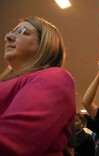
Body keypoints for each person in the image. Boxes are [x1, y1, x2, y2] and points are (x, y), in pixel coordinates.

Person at [0, 17, 76, 155]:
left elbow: (13, 142)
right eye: (12, 31)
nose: (8, 37)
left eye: (22, 31)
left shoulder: (56, 77)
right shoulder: (5, 83)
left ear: (45, 44)